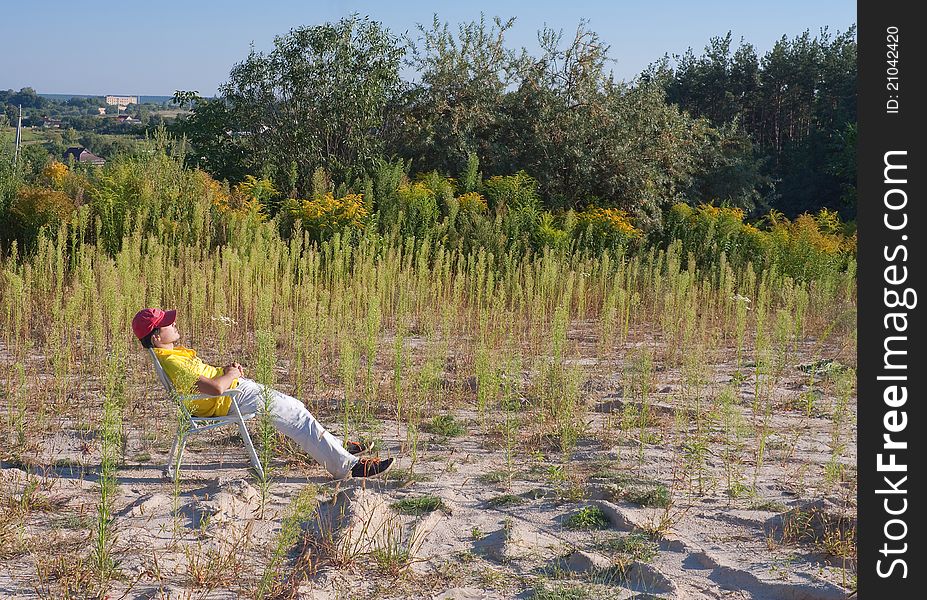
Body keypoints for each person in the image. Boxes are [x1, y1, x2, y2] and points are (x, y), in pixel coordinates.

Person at [131, 307, 392, 479]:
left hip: (232, 394)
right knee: (296, 414)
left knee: (295, 406)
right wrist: (231, 375)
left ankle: (334, 447)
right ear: (156, 337)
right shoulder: (173, 361)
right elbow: (214, 389)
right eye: (166, 324)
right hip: (228, 399)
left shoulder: (170, 354)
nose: (173, 323)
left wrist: (224, 370)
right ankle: (347, 467)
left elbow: (205, 380)